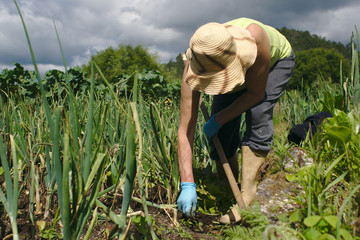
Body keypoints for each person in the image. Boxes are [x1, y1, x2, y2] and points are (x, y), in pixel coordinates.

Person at [176, 17, 295, 224]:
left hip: (273, 62)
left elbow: (256, 94)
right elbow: (185, 130)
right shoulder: (195, 64)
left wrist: (219, 119)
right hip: (225, 64)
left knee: (258, 113)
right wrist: (187, 184)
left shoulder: (256, 37)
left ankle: (247, 197)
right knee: (222, 131)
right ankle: (226, 186)